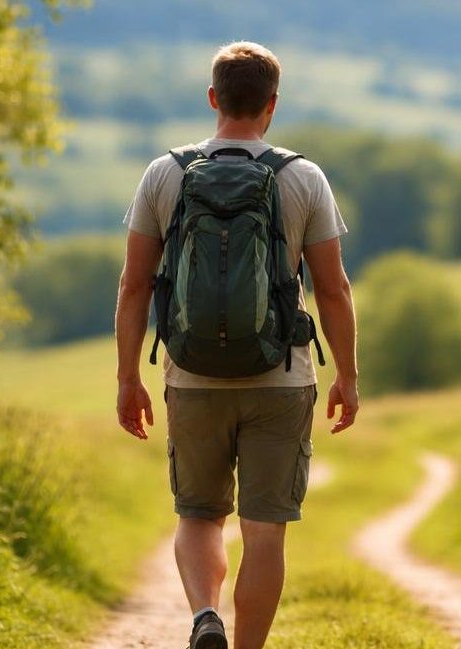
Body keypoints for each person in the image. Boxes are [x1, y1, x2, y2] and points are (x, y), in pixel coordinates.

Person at [112, 41, 360, 649]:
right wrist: (348, 376)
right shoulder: (303, 177)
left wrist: (128, 379)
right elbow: (332, 290)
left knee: (198, 515)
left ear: (213, 99)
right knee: (265, 534)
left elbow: (135, 283)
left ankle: (205, 617)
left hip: (192, 377)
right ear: (271, 105)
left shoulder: (164, 173)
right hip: (280, 377)